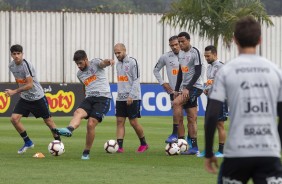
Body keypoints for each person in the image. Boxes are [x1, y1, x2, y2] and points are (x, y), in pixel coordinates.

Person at [204, 16, 282, 183]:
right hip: (268, 154)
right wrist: (277, 144)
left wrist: (209, 152)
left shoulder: (226, 71)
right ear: (260, 40)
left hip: (237, 154)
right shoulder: (275, 71)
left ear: (235, 40)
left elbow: (211, 115)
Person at [54, 50, 114, 160]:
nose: (79, 66)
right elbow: (85, 85)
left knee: (91, 124)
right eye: (77, 64)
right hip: (89, 98)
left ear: (86, 59)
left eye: (80, 63)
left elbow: (103, 63)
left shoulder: (95, 63)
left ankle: (86, 152)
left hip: (103, 98)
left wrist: (109, 61)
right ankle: (69, 129)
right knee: (78, 112)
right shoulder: (80, 74)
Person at [5, 44, 61, 154]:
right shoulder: (11, 66)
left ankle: (58, 143)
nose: (16, 56)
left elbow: (30, 85)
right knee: (14, 119)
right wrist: (19, 90)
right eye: (14, 54)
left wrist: (14, 92)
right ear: (11, 55)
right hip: (25, 98)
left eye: (18, 53)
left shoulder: (26, 65)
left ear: (22, 54)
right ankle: (28, 142)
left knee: (48, 121)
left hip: (37, 97)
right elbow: (19, 80)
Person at [167, 32, 204, 155]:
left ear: (188, 40)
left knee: (176, 103)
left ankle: (174, 134)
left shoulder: (195, 52)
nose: (180, 44)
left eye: (183, 42)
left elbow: (198, 72)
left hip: (195, 87)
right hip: (185, 88)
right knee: (191, 118)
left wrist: (187, 88)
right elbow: (180, 73)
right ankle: (194, 147)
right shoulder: (181, 54)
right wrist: (177, 90)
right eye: (179, 42)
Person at [114, 43, 149, 153]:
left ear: (124, 51)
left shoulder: (132, 62)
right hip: (120, 97)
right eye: (115, 53)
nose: (117, 55)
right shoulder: (117, 65)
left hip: (132, 97)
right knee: (120, 121)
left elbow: (136, 79)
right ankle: (119, 147)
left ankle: (144, 144)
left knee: (133, 122)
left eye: (119, 52)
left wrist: (131, 95)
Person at [153, 35, 186, 140]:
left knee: (191, 118)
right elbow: (155, 70)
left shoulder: (188, 55)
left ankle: (192, 143)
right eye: (172, 45)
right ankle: (181, 141)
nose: (175, 47)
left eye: (176, 44)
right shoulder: (165, 57)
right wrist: (163, 83)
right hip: (174, 92)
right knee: (179, 117)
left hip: (187, 90)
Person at [198, 45, 228, 158]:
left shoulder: (221, 66)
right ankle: (208, 150)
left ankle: (221, 150)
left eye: (208, 56)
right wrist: (206, 89)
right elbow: (210, 82)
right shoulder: (209, 67)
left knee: (220, 124)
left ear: (215, 54)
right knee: (208, 124)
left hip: (220, 98)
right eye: (205, 56)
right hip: (211, 99)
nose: (206, 58)